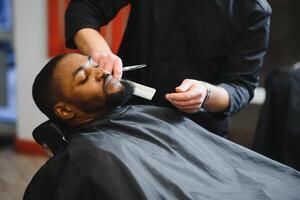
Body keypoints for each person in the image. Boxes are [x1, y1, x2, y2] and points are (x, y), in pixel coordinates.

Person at [24, 53, 300, 200]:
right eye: (85, 77)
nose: (103, 71)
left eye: (95, 64)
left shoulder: (148, 113)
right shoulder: (88, 157)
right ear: (64, 110)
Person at [64, 0, 272, 136]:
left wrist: (206, 94)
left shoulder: (253, 10)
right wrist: (101, 52)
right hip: (126, 114)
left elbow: (241, 86)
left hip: (196, 131)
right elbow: (85, 7)